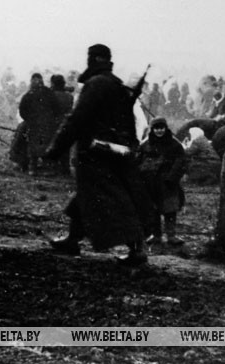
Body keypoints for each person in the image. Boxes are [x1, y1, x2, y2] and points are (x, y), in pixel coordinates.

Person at [44, 44, 150, 266]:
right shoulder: (116, 85)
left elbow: (77, 119)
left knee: (114, 200)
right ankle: (72, 239)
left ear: (93, 59)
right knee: (88, 195)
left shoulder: (95, 84)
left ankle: (137, 248)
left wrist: (55, 149)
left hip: (95, 153)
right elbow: (127, 122)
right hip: (114, 151)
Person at [137, 117, 188, 246]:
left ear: (166, 128)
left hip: (167, 182)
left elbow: (181, 161)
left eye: (161, 128)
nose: (159, 131)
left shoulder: (174, 144)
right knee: (153, 209)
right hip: (150, 182)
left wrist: (172, 177)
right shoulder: (146, 144)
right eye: (156, 128)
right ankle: (156, 235)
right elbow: (138, 160)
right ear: (152, 129)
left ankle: (171, 235)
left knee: (170, 208)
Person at [18, 73, 60, 175]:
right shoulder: (50, 93)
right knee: (46, 144)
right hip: (48, 124)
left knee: (32, 145)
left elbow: (22, 110)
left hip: (34, 124)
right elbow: (56, 108)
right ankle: (47, 168)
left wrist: (29, 119)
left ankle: (33, 168)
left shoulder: (29, 94)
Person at [50, 74, 74, 175]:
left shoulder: (51, 95)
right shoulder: (69, 96)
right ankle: (65, 167)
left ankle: (53, 166)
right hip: (65, 123)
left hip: (52, 123)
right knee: (65, 145)